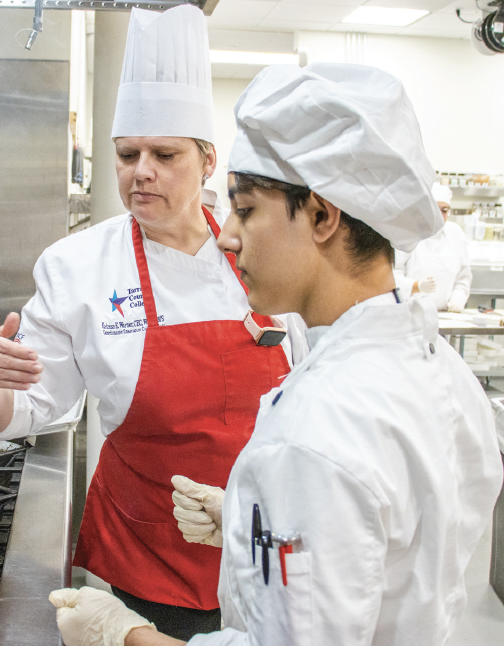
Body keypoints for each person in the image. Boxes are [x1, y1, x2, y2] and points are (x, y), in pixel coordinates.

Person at [49, 63, 503, 646]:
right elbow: (385, 550)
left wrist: (122, 635)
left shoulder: (314, 434)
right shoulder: (441, 370)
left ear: (320, 215)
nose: (227, 234)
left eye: (246, 209)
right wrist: (247, 518)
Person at [0, 5, 305, 640]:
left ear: (207, 161)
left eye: (163, 154)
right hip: (150, 555)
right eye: (127, 154)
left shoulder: (262, 249)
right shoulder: (77, 266)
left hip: (273, 540)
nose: (140, 170)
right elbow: (34, 405)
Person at [394, 182, 472, 312]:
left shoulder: (455, 234)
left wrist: (458, 298)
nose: (440, 215)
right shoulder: (409, 233)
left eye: (444, 210)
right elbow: (393, 274)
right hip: (411, 312)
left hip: (446, 313)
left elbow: (463, 276)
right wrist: (416, 286)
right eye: (435, 209)